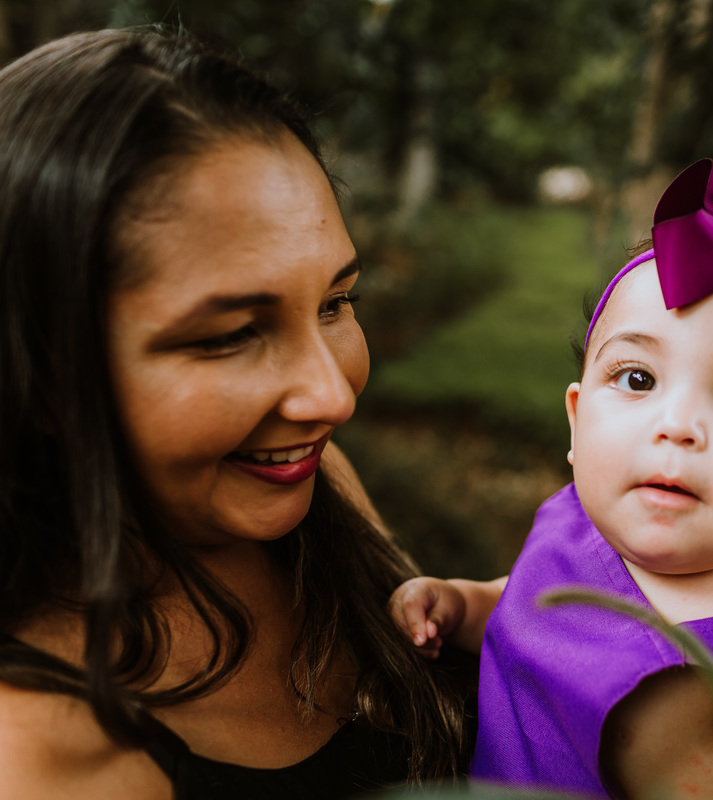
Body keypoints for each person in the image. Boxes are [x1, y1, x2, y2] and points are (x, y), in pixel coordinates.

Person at [0, 29, 469, 799]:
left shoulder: (312, 484)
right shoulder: (36, 751)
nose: (334, 398)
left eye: (336, 302)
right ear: (45, 368)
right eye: (230, 337)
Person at [393, 159, 713, 798]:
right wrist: (461, 605)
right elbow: (531, 609)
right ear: (577, 420)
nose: (678, 426)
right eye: (638, 379)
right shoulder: (572, 523)